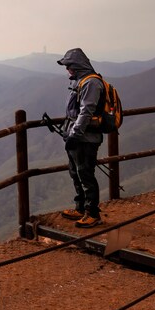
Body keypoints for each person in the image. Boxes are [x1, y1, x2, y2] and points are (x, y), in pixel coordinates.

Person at [56, 48, 104, 228]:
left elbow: (86, 113)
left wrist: (74, 135)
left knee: (85, 175)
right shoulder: (81, 81)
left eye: (69, 66)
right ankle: (81, 207)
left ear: (77, 66)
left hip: (86, 139)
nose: (67, 69)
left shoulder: (90, 83)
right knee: (76, 173)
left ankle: (92, 213)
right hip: (77, 136)